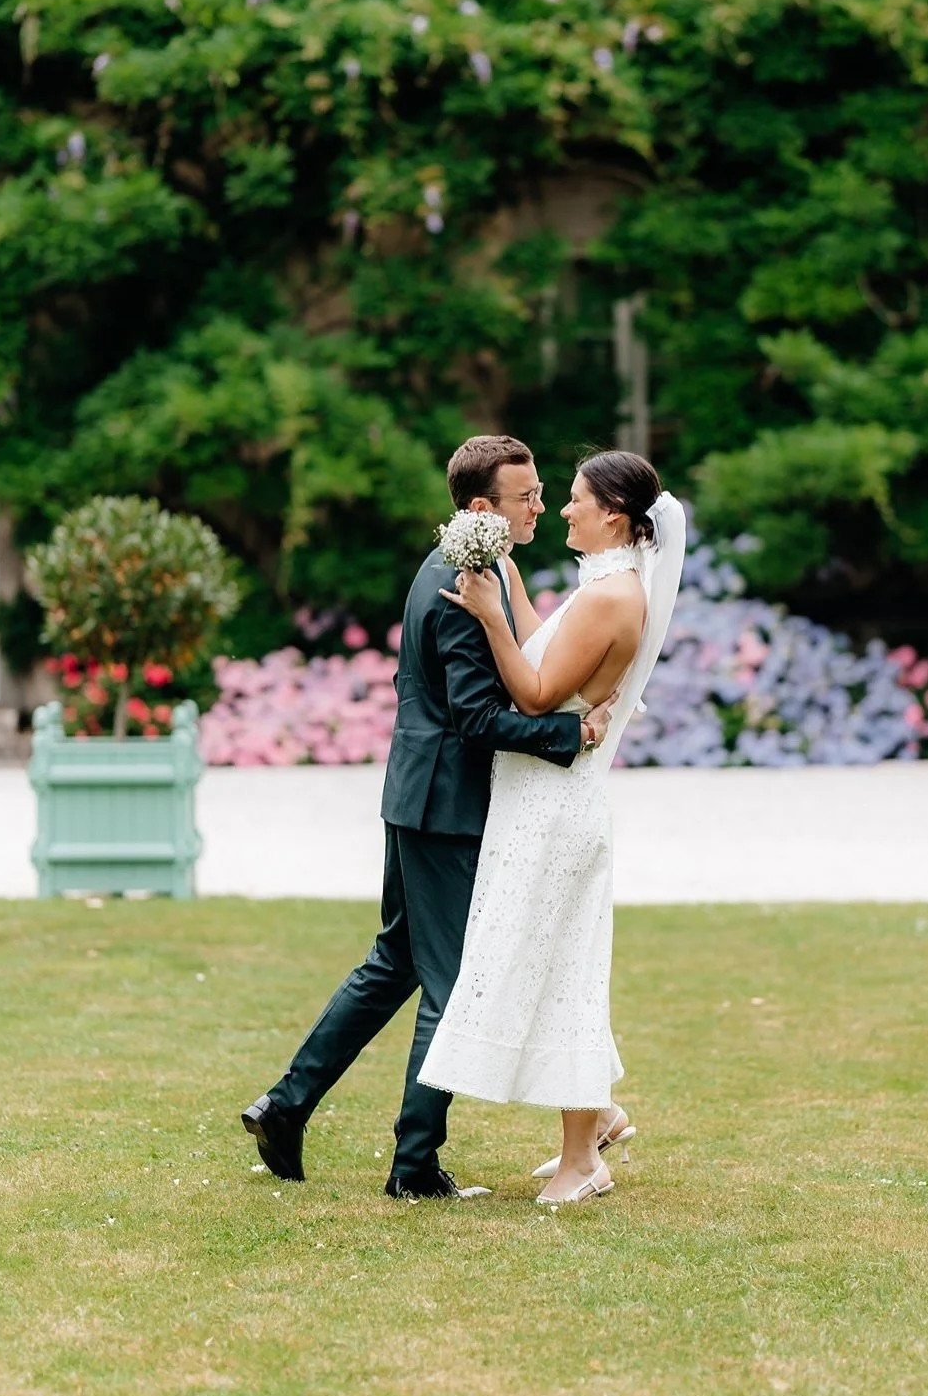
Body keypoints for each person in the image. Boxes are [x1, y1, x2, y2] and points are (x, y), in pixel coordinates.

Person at [240, 435, 616, 1200]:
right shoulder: (461, 582)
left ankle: (283, 1107)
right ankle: (413, 1166)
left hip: (414, 793)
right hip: (445, 805)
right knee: (452, 984)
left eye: (543, 492)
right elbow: (476, 717)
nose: (540, 505)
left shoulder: (450, 565)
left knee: (395, 966)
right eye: (526, 497)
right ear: (482, 508)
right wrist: (564, 734)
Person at [419, 450, 685, 1205]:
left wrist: (483, 618)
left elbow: (533, 693)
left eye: (573, 500)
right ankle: (594, 1117)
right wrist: (500, 588)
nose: (561, 511)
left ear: (613, 516)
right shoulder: (599, 585)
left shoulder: (612, 596)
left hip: (555, 810)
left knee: (563, 970)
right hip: (538, 798)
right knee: (549, 964)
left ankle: (581, 1160)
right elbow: (545, 651)